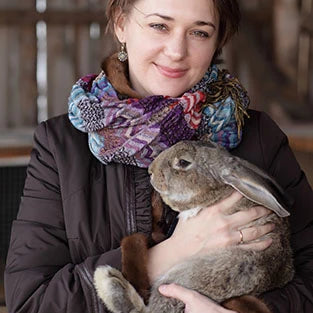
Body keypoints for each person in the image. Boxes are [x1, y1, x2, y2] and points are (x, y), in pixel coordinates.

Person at [4, 0, 313, 312]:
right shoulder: (60, 146)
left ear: (218, 40)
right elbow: (31, 301)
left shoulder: (258, 136)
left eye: (200, 33)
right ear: (121, 25)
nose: (177, 51)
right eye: (159, 26)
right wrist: (173, 252)